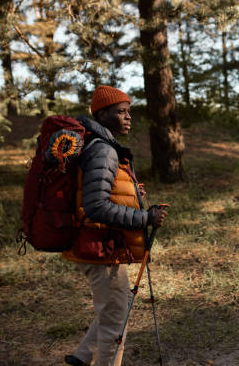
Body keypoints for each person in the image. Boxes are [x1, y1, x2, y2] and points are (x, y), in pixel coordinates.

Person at [62, 85, 167, 366]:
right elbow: (96, 207)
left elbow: (100, 193)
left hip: (106, 244)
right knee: (116, 321)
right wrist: (145, 218)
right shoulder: (103, 151)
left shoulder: (100, 146)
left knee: (116, 307)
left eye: (128, 112)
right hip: (100, 246)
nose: (128, 117)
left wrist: (134, 196)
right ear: (102, 114)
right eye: (121, 112)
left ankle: (83, 356)